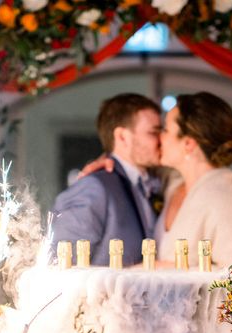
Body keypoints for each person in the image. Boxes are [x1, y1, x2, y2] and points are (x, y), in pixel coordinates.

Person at [50, 93, 162, 266]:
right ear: (122, 137)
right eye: (154, 132)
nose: (161, 139)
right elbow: (62, 265)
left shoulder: (153, 182)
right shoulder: (94, 187)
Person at [155, 92, 232, 267]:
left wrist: (166, 270)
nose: (160, 137)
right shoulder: (173, 184)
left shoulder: (226, 200)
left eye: (166, 129)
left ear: (188, 144)